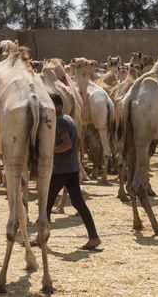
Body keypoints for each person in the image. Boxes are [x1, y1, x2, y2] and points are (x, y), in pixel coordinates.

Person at [45, 94, 101, 250]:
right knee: (78, 203)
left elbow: (68, 144)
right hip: (72, 168)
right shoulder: (69, 119)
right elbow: (78, 141)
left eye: (50, 105)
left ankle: (42, 238)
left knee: (46, 204)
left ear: (58, 106)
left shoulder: (60, 122)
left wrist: (50, 150)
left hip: (61, 170)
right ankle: (94, 237)